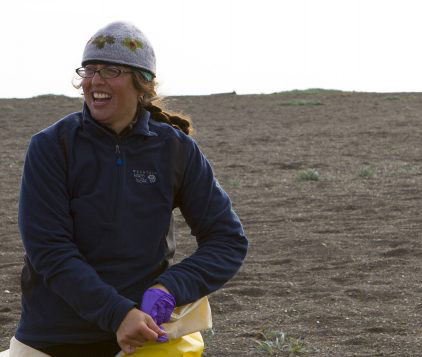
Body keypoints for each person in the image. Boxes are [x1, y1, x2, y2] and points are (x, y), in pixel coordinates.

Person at [14, 21, 248, 357]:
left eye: (112, 70)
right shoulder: (52, 146)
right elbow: (49, 250)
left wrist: (169, 288)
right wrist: (117, 313)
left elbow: (227, 239)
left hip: (147, 329)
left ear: (144, 84)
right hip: (57, 334)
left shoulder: (175, 149)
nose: (95, 80)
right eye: (90, 69)